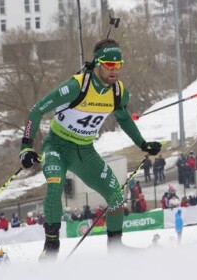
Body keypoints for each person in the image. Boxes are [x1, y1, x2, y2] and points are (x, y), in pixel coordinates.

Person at [18, 38, 162, 260]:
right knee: (55, 185)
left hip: (84, 151)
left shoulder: (118, 92)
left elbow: (124, 118)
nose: (114, 70)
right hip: (57, 146)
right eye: (109, 65)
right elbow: (37, 110)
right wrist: (26, 147)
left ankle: (116, 248)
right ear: (98, 64)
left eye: (118, 65)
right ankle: (51, 249)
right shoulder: (76, 86)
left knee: (115, 196)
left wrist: (143, 144)